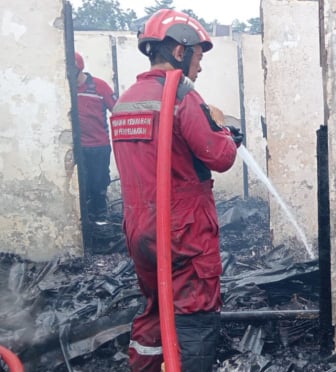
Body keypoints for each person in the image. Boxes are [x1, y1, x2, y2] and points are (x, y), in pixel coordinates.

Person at [109, 9, 244, 372]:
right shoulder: (182, 98)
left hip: (141, 230)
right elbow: (218, 156)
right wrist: (230, 136)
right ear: (180, 51)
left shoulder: (126, 102)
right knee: (195, 315)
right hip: (184, 232)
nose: (199, 67)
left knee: (157, 308)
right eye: (198, 56)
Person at [74, 52, 117, 226]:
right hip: (78, 148)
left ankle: (101, 224)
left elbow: (118, 110)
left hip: (100, 146)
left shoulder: (100, 87)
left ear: (79, 68)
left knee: (99, 185)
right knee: (81, 188)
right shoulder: (66, 90)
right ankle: (84, 227)